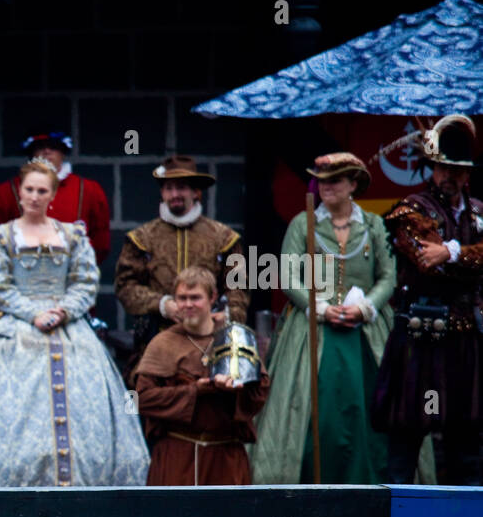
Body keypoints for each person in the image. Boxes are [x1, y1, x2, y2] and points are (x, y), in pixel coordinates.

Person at [0, 161, 149, 488]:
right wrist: (33, 314)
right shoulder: (1, 237)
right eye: (29, 189)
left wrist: (64, 311)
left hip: (69, 329)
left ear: (52, 194)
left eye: (41, 190)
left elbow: (85, 282)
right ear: (19, 192)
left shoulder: (72, 235)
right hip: (17, 331)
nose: (34, 196)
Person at [252, 153, 433, 485]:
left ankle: (375, 487)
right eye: (321, 180)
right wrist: (319, 308)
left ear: (353, 185)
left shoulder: (373, 225)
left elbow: (388, 276)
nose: (326, 186)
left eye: (334, 180)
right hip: (312, 327)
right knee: (318, 411)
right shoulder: (303, 223)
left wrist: (365, 307)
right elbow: (289, 276)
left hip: (367, 329)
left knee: (373, 406)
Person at [132, 267, 270, 517]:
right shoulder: (163, 344)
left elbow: (259, 392)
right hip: (176, 455)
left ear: (212, 300)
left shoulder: (236, 337)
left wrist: (235, 388)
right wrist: (197, 390)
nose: (188, 305)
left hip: (225, 455)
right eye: (182, 298)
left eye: (195, 298)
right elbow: (141, 398)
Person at [375, 114, 483, 486]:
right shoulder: (411, 210)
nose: (449, 176)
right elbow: (425, 261)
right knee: (408, 435)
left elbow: (442, 258)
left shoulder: (478, 211)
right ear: (432, 169)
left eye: (457, 170)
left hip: (465, 342)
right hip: (421, 341)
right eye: (443, 168)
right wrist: (467, 260)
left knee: (465, 440)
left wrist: (451, 252)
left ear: (467, 174)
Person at [115, 156, 246, 363]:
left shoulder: (224, 238)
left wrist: (228, 315)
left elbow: (238, 286)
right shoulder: (141, 239)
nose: (175, 194)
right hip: (156, 338)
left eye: (182, 187)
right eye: (169, 188)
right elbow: (125, 287)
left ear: (196, 192)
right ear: (162, 193)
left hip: (210, 340)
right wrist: (162, 304)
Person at [0, 131, 111, 260]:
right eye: (40, 147)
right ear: (31, 153)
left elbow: (100, 243)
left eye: (54, 147)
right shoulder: (5, 191)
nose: (47, 151)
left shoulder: (89, 190)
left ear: (63, 153)